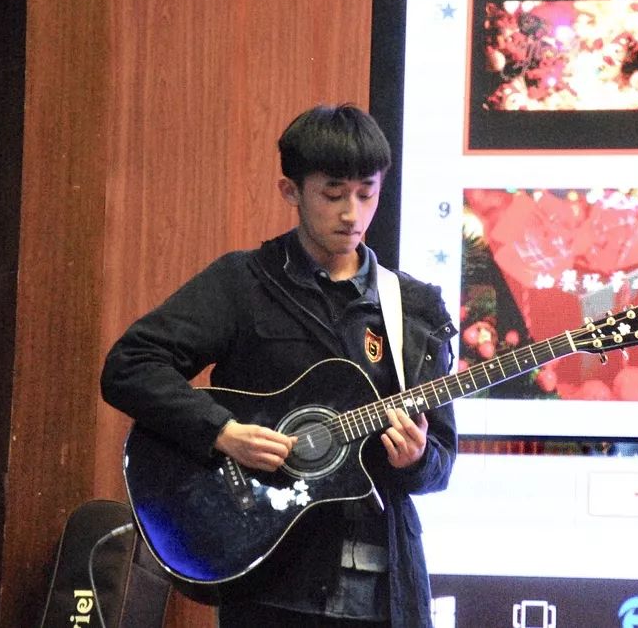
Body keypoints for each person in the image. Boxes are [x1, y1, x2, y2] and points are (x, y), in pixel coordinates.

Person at [100, 103, 458, 628]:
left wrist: (418, 458)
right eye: (333, 194)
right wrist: (221, 432)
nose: (352, 214)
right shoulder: (244, 282)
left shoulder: (414, 307)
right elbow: (130, 365)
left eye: (367, 193)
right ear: (291, 191)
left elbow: (441, 461)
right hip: (272, 585)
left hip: (386, 591)